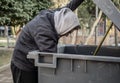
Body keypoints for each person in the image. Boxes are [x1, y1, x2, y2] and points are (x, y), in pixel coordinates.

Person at [11, 0, 84, 83]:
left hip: (32, 62)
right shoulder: (45, 31)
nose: (67, 35)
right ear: (63, 26)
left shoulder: (56, 16)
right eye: (68, 31)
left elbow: (69, 7)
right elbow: (51, 58)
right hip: (22, 66)